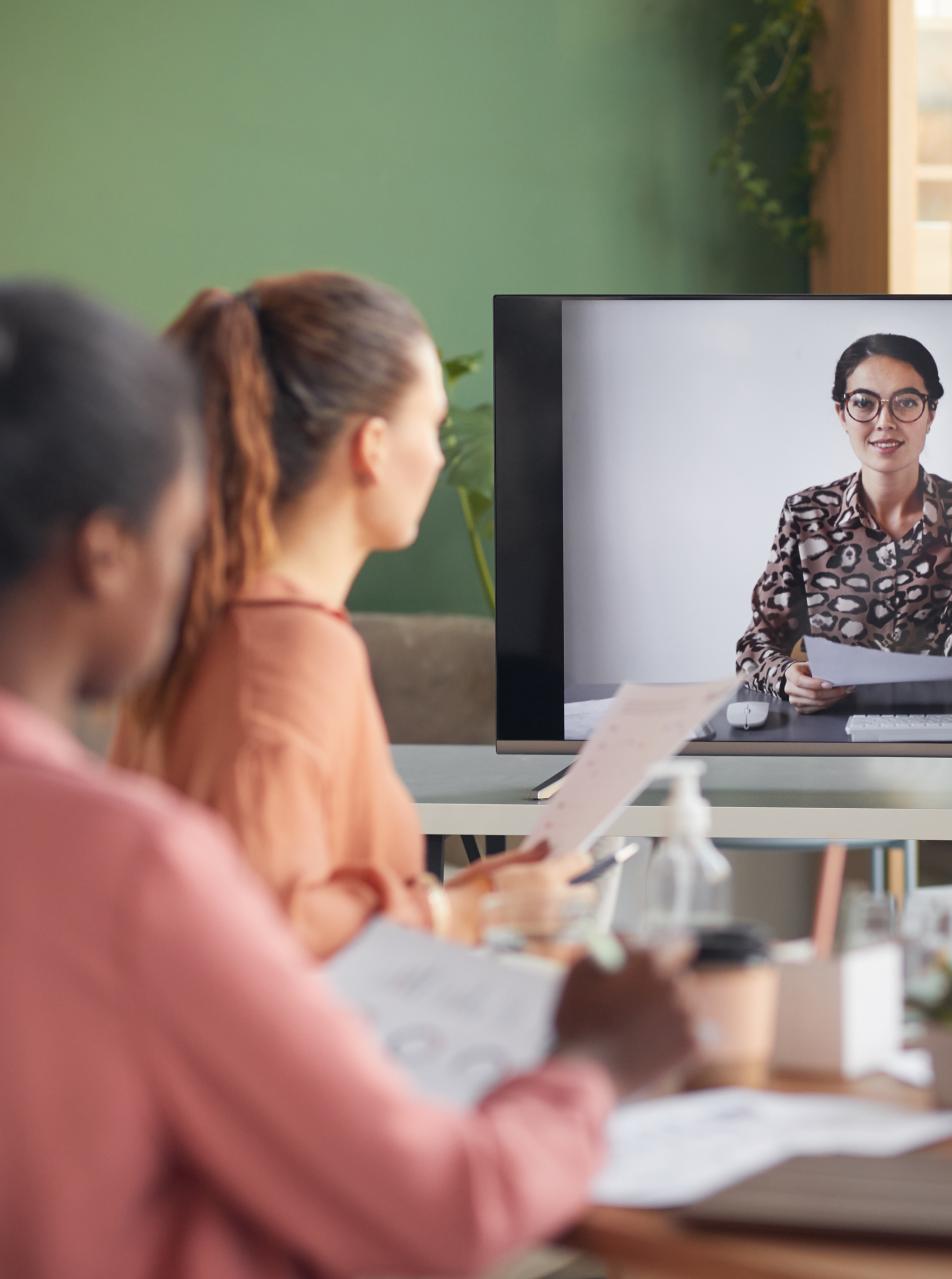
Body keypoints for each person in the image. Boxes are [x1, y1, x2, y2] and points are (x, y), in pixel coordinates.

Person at [0, 280, 695, 1278]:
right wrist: (596, 1063)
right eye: (176, 510)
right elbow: (445, 1204)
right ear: (104, 551)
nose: (194, 545)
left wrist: (450, 909)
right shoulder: (143, 846)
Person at [113, 271, 572, 957]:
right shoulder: (286, 647)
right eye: (435, 424)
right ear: (374, 446)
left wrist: (459, 900)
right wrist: (452, 914)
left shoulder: (217, 621)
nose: (441, 455)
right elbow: (263, 930)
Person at [734, 332, 952, 713]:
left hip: (940, 727)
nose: (885, 422)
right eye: (863, 403)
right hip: (831, 728)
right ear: (841, 414)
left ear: (930, 414)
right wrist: (788, 678)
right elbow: (754, 647)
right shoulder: (806, 513)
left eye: (907, 402)